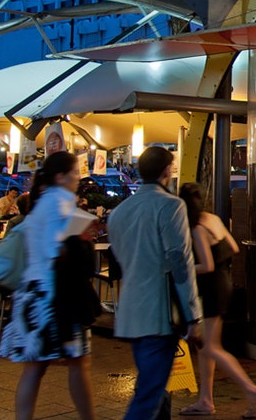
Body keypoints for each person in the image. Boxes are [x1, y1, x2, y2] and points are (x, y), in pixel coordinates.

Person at [108, 147, 208, 420]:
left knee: (155, 385)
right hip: (159, 311)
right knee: (150, 393)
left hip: (131, 310)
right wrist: (193, 315)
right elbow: (180, 262)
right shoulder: (170, 206)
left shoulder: (119, 213)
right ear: (168, 171)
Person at [0, 152, 99, 420]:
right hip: (55, 297)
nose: (79, 177)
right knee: (78, 362)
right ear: (60, 176)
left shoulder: (42, 202)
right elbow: (59, 251)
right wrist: (81, 238)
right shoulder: (60, 202)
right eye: (75, 172)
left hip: (33, 295)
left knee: (35, 368)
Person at [177, 182, 256, 417]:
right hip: (224, 283)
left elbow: (206, 265)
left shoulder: (197, 227)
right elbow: (233, 247)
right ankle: (205, 400)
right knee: (205, 347)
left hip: (211, 288)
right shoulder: (213, 219)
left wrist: (185, 267)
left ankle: (253, 391)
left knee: (211, 347)